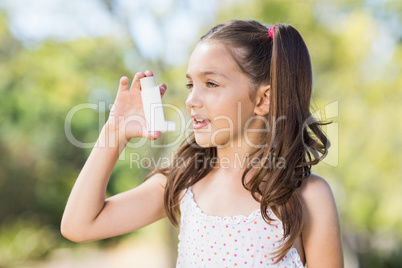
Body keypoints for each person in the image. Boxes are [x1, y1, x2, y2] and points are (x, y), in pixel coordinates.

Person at [61, 20, 343, 267]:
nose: (191, 100)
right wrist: (115, 131)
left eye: (211, 84)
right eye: (190, 85)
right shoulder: (184, 182)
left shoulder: (308, 197)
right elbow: (79, 225)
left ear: (262, 99)